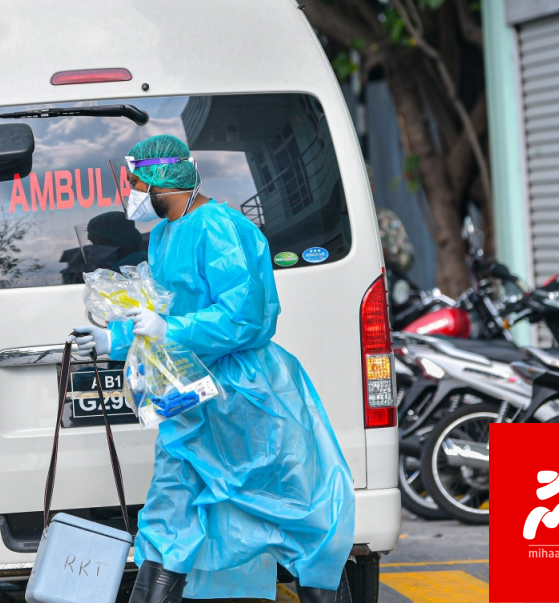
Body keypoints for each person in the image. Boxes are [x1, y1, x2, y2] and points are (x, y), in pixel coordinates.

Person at [69, 136, 355, 603]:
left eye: (138, 182)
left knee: (292, 510)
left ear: (164, 179)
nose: (133, 194)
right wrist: (114, 339)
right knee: (168, 515)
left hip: (245, 395)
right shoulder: (162, 236)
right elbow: (162, 315)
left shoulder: (220, 226)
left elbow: (246, 316)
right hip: (189, 396)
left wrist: (169, 329)